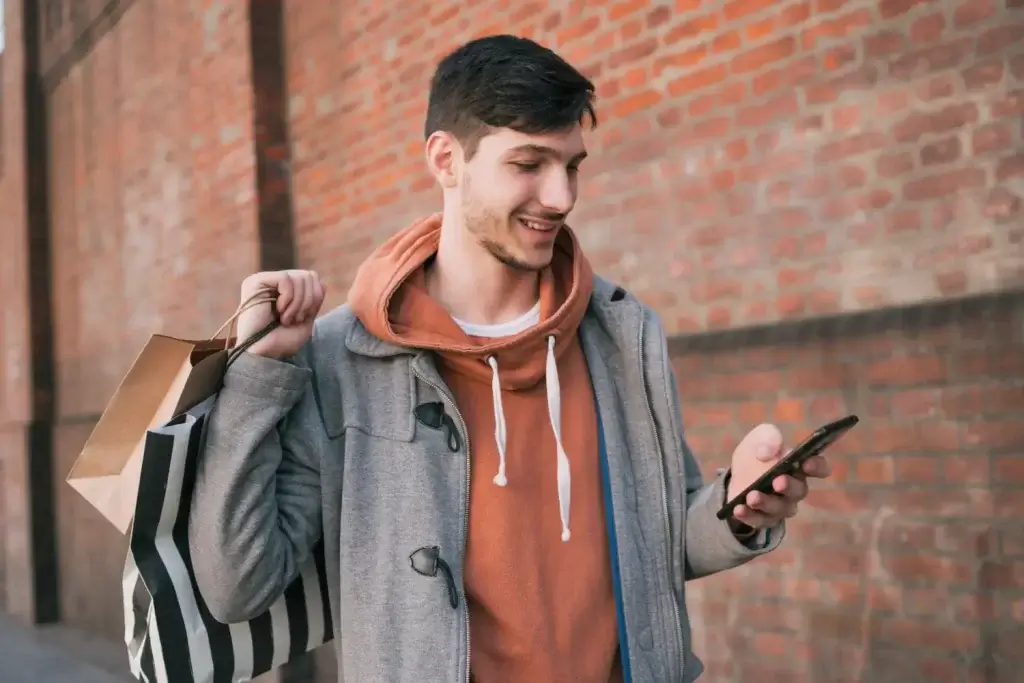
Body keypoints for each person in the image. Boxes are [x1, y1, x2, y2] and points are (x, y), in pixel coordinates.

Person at [188, 34, 832, 683]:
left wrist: (735, 506)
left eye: (572, 165)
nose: (560, 196)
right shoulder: (341, 358)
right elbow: (238, 583)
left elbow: (663, 542)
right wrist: (255, 375)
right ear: (446, 160)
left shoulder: (623, 334)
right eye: (529, 163)